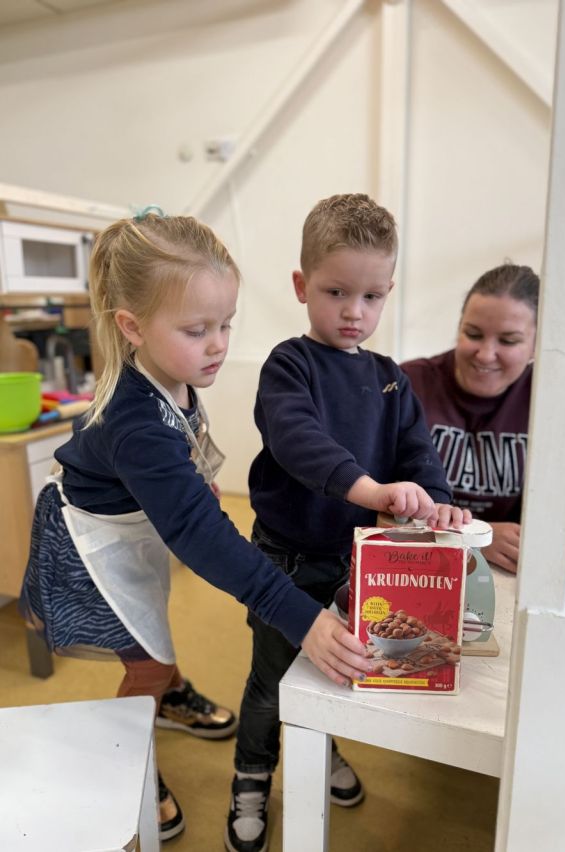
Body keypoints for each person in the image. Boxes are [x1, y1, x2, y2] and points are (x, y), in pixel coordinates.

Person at [19, 210, 371, 843]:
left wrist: (189, 479)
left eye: (226, 324)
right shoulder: (134, 419)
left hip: (131, 528)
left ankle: (170, 693)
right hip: (89, 544)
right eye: (196, 329)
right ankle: (130, 760)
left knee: (151, 631)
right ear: (132, 327)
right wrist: (302, 616)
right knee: (145, 660)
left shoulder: (172, 373)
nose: (218, 344)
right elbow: (202, 537)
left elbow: (177, 467)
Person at [225, 193, 471, 852]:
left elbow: (417, 452)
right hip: (287, 562)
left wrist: (437, 497)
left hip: (357, 562)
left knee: (335, 675)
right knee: (274, 681)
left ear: (388, 293)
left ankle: (319, 749)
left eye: (372, 296)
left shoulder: (392, 379)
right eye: (336, 291)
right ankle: (251, 773)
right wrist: (370, 488)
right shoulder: (288, 365)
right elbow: (297, 438)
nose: (355, 312)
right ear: (303, 286)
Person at [400, 262, 565, 585]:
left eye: (508, 341)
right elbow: (371, 490)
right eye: (473, 334)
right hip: (418, 566)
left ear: (537, 345)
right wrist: (474, 535)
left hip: (506, 579)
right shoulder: (409, 383)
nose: (485, 354)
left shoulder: (554, 401)